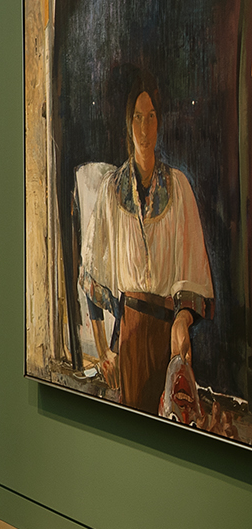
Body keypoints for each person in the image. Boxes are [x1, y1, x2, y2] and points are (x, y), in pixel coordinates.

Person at [77, 74, 215, 415]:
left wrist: (182, 320)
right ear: (128, 124)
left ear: (160, 122)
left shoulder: (179, 188)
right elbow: (92, 276)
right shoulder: (112, 191)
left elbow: (192, 265)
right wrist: (103, 350)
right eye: (137, 118)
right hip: (131, 337)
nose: (144, 127)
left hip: (170, 337)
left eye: (151, 116)